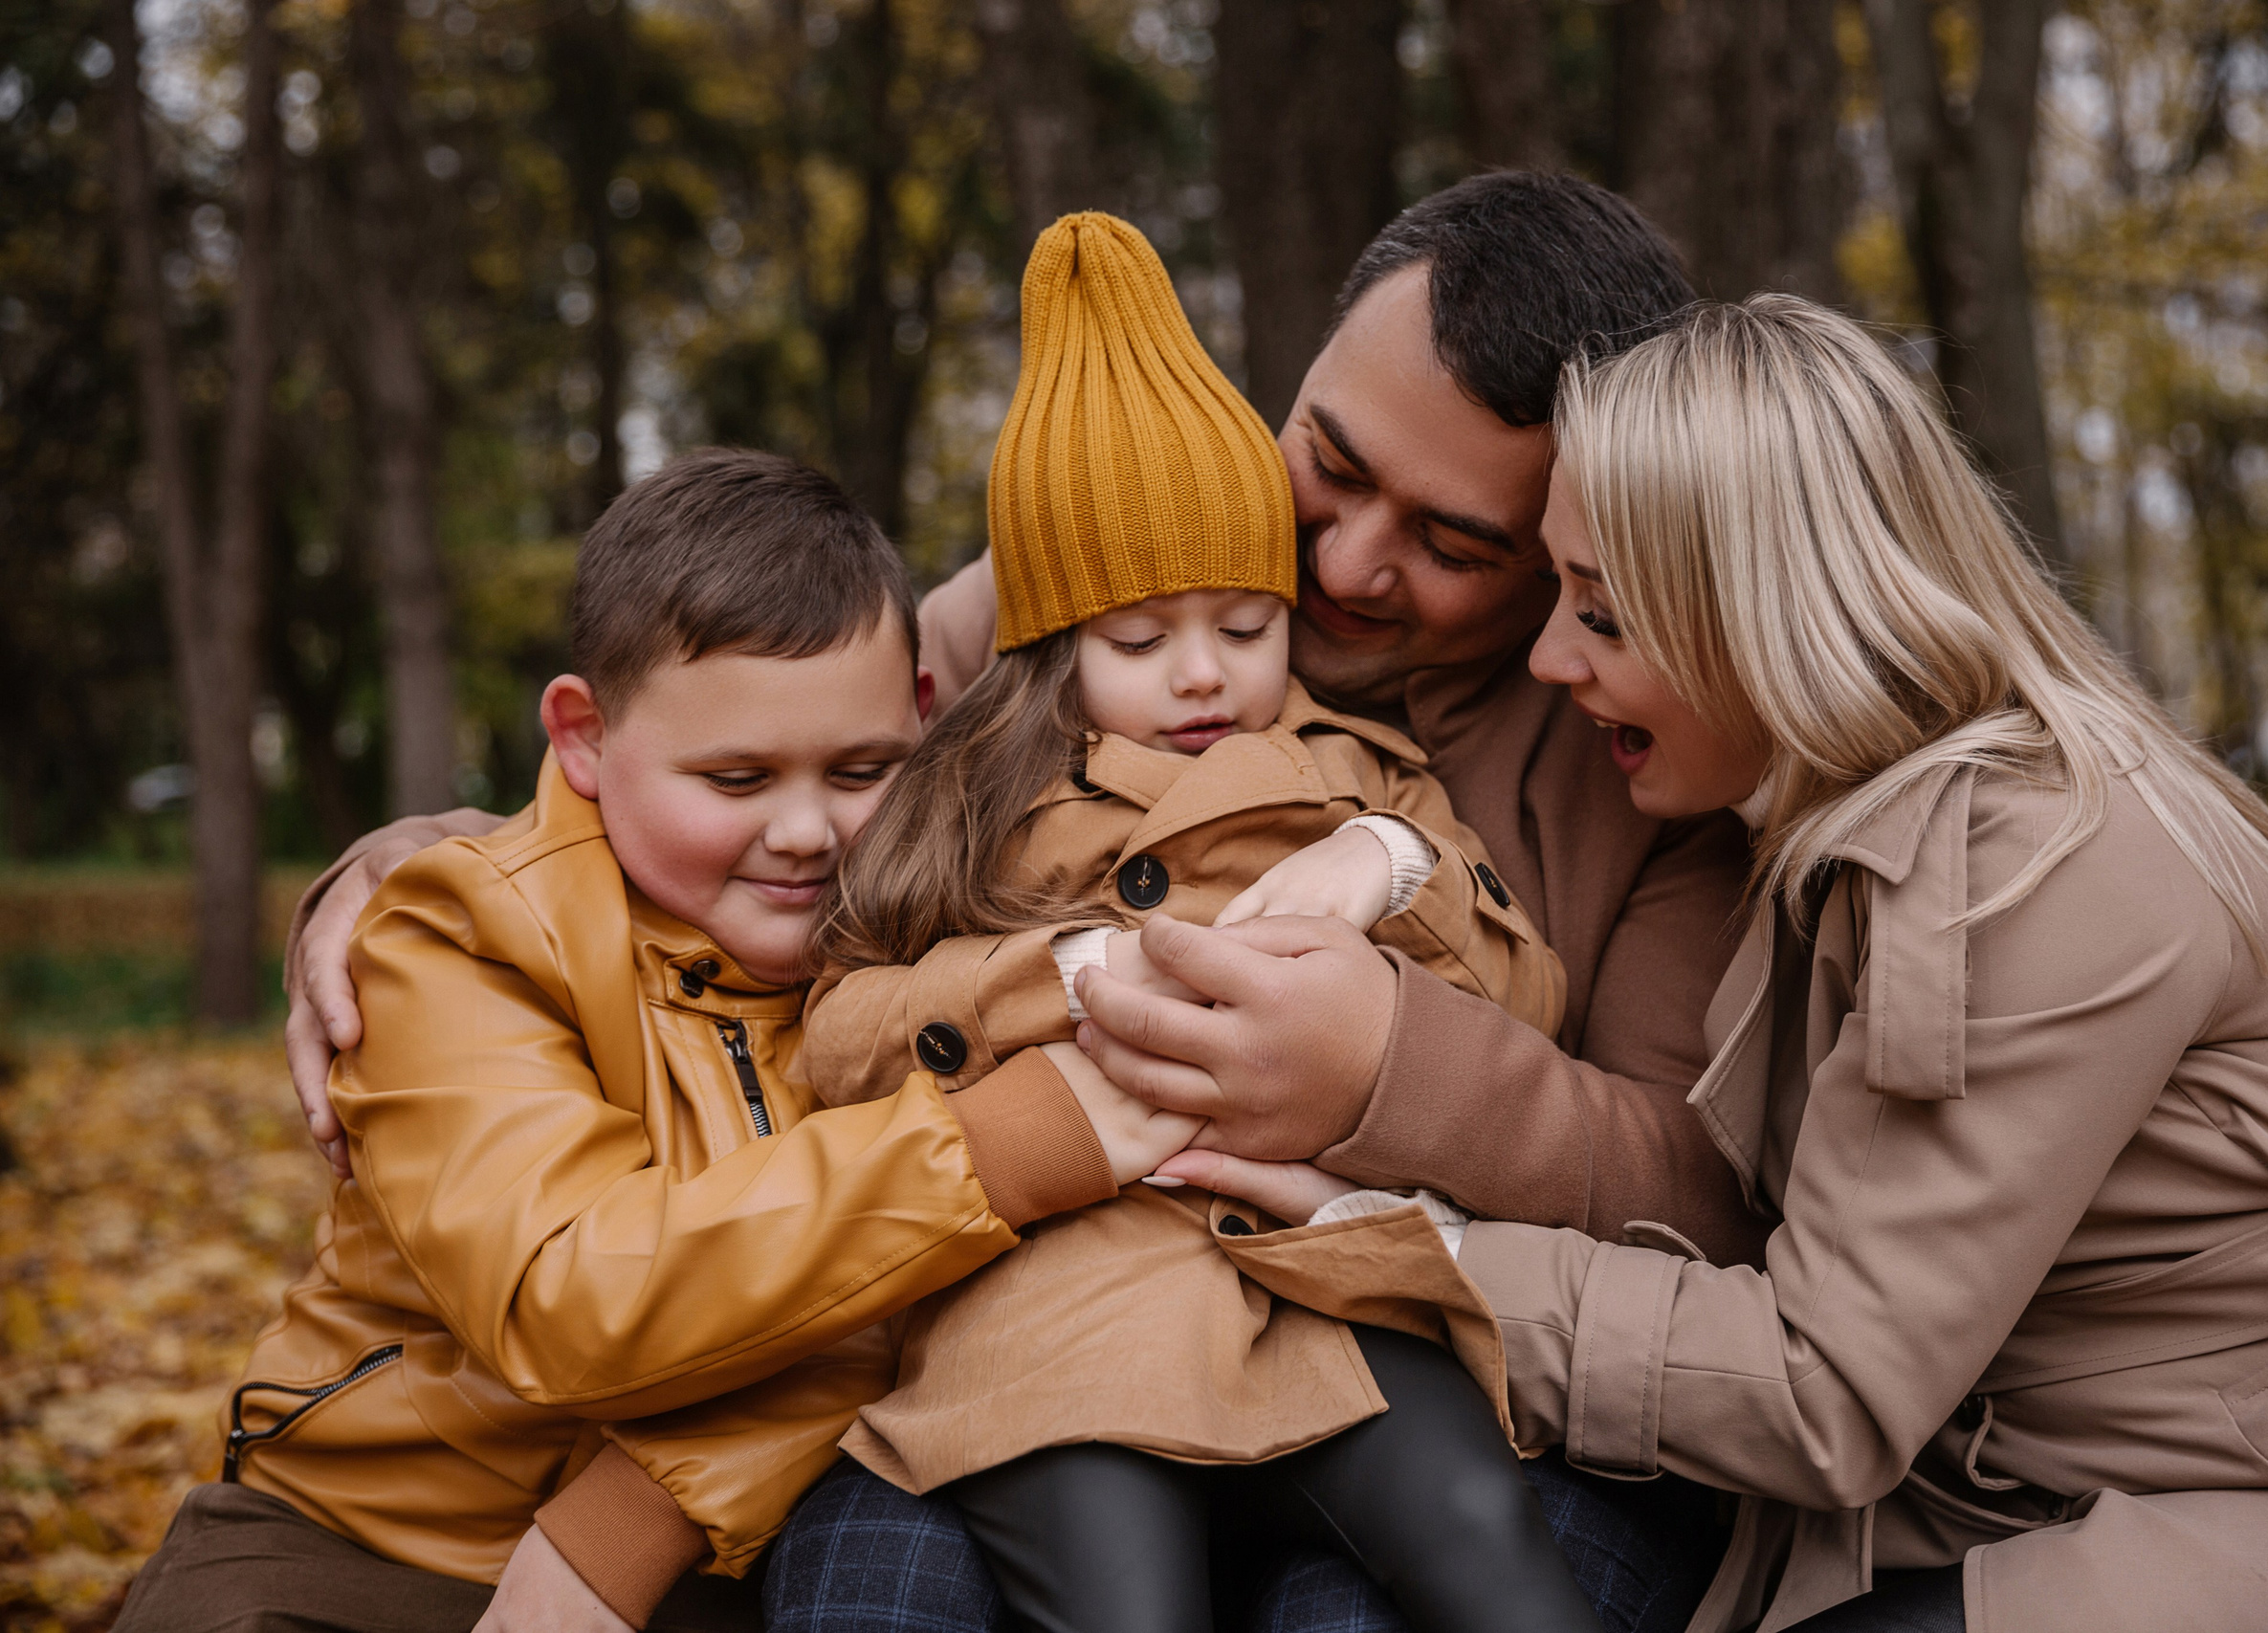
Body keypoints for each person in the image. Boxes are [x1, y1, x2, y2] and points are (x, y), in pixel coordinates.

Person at [283, 174, 1757, 1630]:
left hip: (1429, 1344)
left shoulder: (1637, 727)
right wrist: (424, 860)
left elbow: (1693, 1181)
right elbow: (739, 774)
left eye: (1455, 544)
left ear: (1576, 534)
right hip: (1040, 1320)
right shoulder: (1087, 565)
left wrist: (1384, 1062)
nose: (1345, 560)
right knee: (886, 1592)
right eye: (1330, 461)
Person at [1181, 296, 2268, 1632]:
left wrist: (1403, 1251)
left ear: (1766, 618)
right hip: (2021, 1469)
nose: (1552, 658)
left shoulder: (2035, 863)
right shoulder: (1838, 829)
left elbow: (1823, 1390)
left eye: (1602, 615)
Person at [116, 452, 1196, 1633]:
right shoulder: (461, 934)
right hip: (371, 1543)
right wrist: (999, 1149)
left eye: (861, 769)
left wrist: (635, 1522)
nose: (805, 831)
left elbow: (913, 1319)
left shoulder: (926, 951)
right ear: (584, 736)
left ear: (923, 718)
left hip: (719, 1559)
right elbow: (570, 1301)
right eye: (734, 778)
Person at [792, 211, 1590, 1633]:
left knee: (1485, 1537)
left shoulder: (1357, 772)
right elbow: (838, 1030)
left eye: (1244, 622)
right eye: (1141, 640)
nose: (1204, 675)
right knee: (1125, 1596)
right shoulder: (981, 790)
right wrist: (1060, 974)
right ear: (1053, 645)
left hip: (1316, 1289)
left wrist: (1390, 862)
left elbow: (1527, 989)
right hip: (1062, 1302)